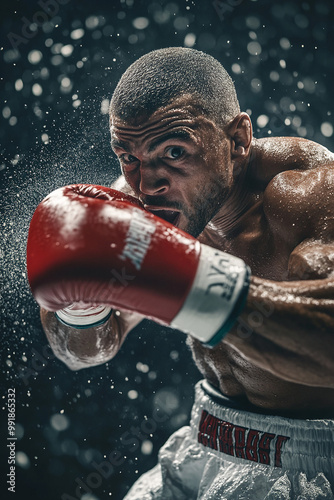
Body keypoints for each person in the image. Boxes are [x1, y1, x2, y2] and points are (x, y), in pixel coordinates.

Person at [26, 47, 334, 499]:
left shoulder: (312, 195)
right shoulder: (145, 199)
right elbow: (83, 352)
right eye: (128, 156)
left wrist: (191, 285)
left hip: (307, 468)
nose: (146, 185)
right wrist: (80, 309)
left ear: (238, 140)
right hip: (201, 440)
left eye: (174, 151)